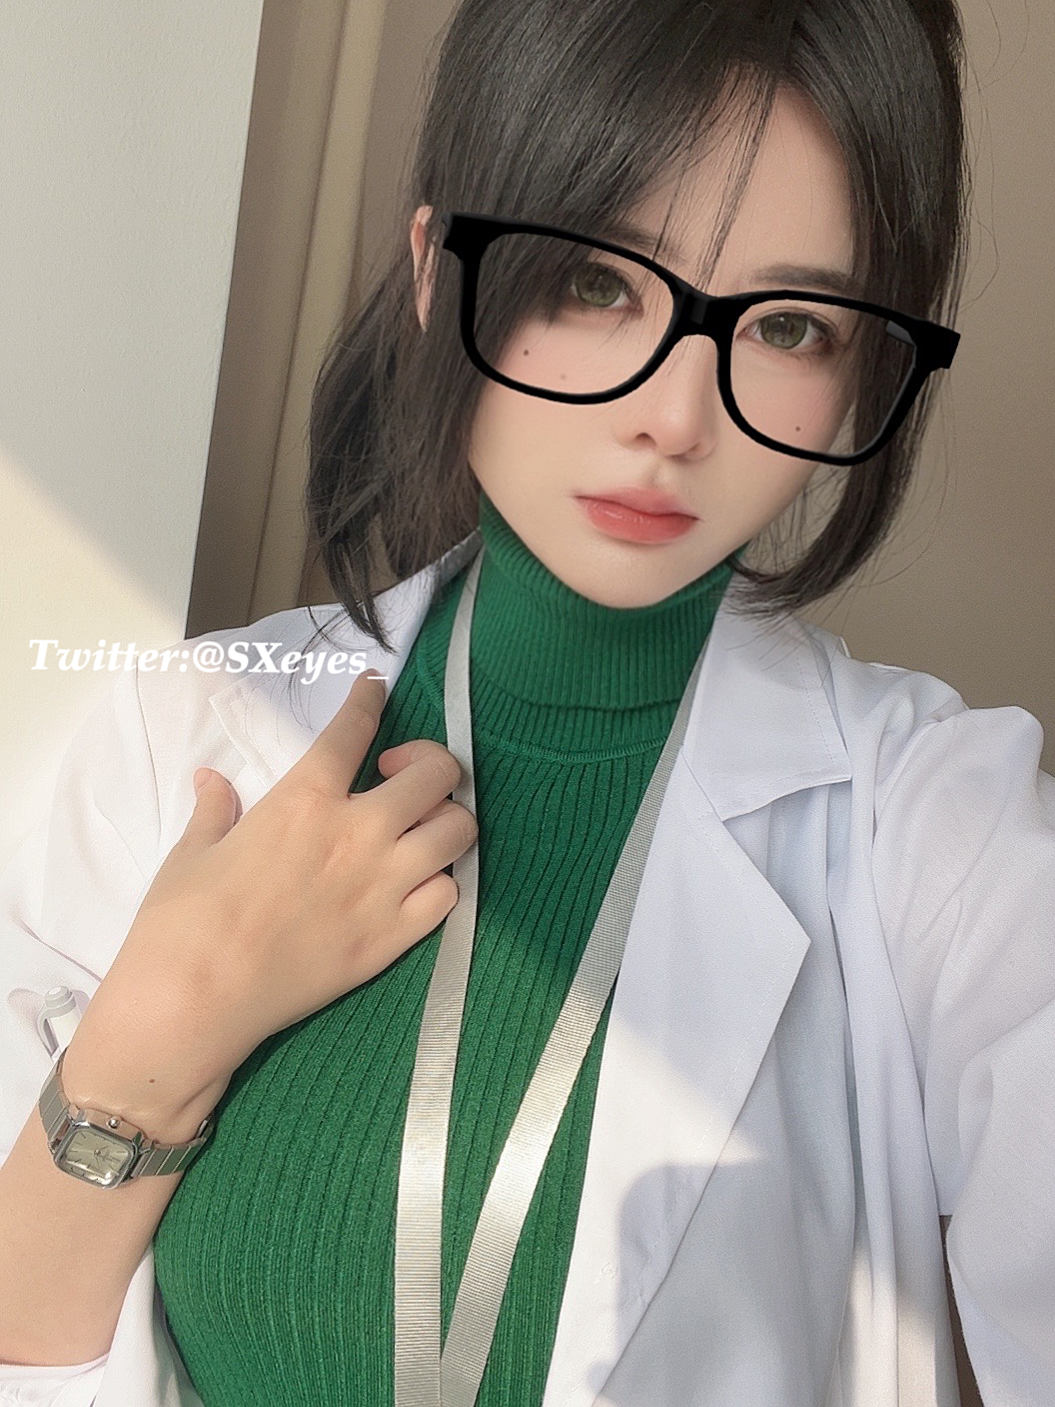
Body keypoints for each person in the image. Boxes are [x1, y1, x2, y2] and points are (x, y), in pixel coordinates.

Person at [0, 0, 1051, 1403]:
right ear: (434, 268)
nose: (675, 418)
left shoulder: (944, 833)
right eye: (599, 284)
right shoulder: (177, 743)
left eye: (791, 324)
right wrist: (161, 1033)